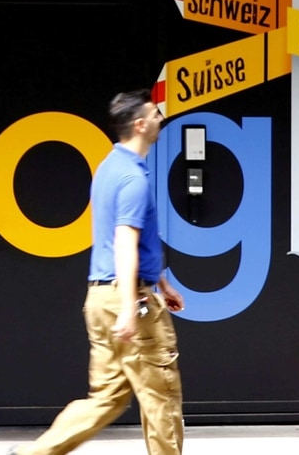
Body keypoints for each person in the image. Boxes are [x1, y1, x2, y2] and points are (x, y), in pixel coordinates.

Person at [9, 88, 185, 455]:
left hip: (99, 298)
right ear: (139, 125)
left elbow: (127, 239)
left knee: (106, 397)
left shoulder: (109, 168)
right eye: (154, 114)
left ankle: (33, 453)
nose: (159, 119)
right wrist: (129, 306)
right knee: (161, 397)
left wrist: (162, 282)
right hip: (129, 298)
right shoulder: (134, 179)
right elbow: (123, 241)